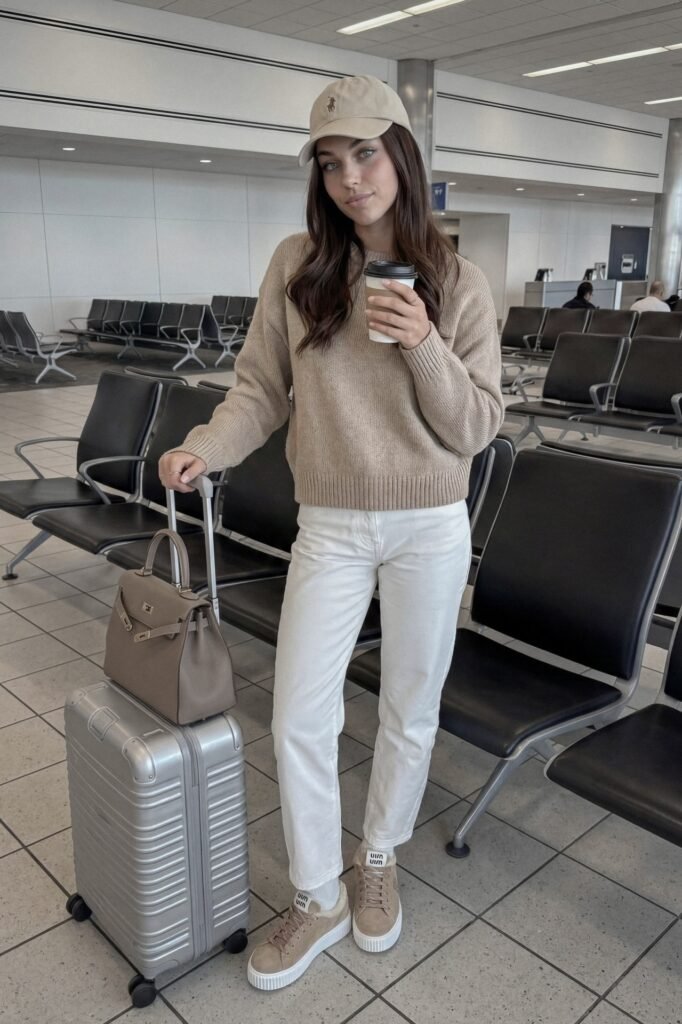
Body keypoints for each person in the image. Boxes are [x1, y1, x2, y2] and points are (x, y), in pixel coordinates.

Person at [159, 74, 504, 991]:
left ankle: (378, 855)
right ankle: (318, 893)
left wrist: (425, 341)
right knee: (299, 712)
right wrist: (205, 449)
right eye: (330, 159)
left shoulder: (460, 281)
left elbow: (475, 427)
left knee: (408, 708)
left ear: (401, 153)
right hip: (333, 523)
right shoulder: (296, 264)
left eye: (365, 153)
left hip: (431, 524)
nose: (351, 177)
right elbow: (259, 392)